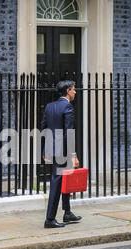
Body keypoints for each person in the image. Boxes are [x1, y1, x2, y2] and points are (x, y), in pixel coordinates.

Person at [41, 80, 82, 229]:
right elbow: (68, 132)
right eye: (73, 89)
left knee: (65, 179)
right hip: (62, 152)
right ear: (67, 91)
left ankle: (67, 212)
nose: (75, 92)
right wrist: (73, 154)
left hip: (52, 149)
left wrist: (45, 150)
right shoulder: (67, 107)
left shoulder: (50, 106)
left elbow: (43, 129)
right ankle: (50, 219)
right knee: (57, 182)